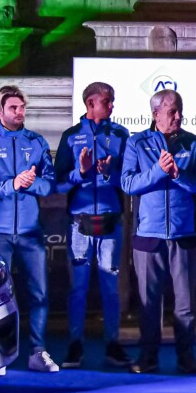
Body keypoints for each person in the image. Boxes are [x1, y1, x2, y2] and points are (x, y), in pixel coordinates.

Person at [121, 88, 196, 375]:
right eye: (172, 111)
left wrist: (179, 175)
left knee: (185, 304)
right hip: (148, 236)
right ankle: (148, 358)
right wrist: (158, 172)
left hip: (183, 235)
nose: (178, 116)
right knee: (149, 304)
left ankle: (186, 357)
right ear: (156, 114)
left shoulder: (192, 143)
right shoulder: (136, 143)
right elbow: (127, 184)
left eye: (180, 111)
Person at [0, 84, 58, 372]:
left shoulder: (37, 142)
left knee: (39, 294)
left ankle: (38, 352)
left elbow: (49, 185)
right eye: (13, 108)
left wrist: (31, 183)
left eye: (22, 107)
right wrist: (11, 184)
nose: (20, 112)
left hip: (31, 232)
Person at [55, 81, 131, 369]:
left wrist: (110, 174)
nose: (112, 106)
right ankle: (75, 344)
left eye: (112, 101)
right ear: (90, 104)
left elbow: (130, 181)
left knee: (112, 288)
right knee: (78, 288)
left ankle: (113, 343)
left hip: (111, 223)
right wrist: (80, 172)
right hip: (79, 225)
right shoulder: (71, 137)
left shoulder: (121, 135)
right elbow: (58, 184)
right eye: (107, 101)